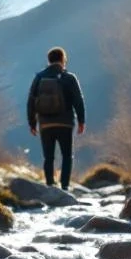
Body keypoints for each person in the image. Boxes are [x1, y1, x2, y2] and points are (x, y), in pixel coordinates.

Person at [26, 47, 85, 190]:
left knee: (48, 157)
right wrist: (81, 121)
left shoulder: (39, 77)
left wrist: (32, 123)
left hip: (45, 124)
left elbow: (31, 101)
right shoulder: (69, 77)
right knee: (66, 155)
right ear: (63, 60)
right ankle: (65, 186)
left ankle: (50, 186)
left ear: (49, 60)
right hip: (65, 123)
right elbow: (78, 100)